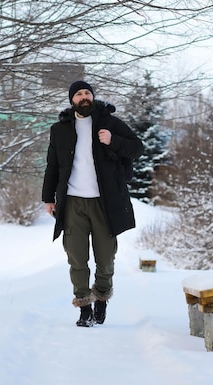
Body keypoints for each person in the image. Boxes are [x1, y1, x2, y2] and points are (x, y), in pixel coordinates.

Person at [42, 80, 143, 327]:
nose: (84, 97)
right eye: (79, 94)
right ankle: (84, 307)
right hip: (73, 203)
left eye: (88, 93)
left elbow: (137, 148)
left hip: (104, 203)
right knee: (76, 258)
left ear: (93, 97)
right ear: (72, 100)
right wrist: (48, 198)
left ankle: (101, 298)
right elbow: (52, 166)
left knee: (106, 258)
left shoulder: (110, 124)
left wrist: (113, 141)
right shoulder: (60, 130)